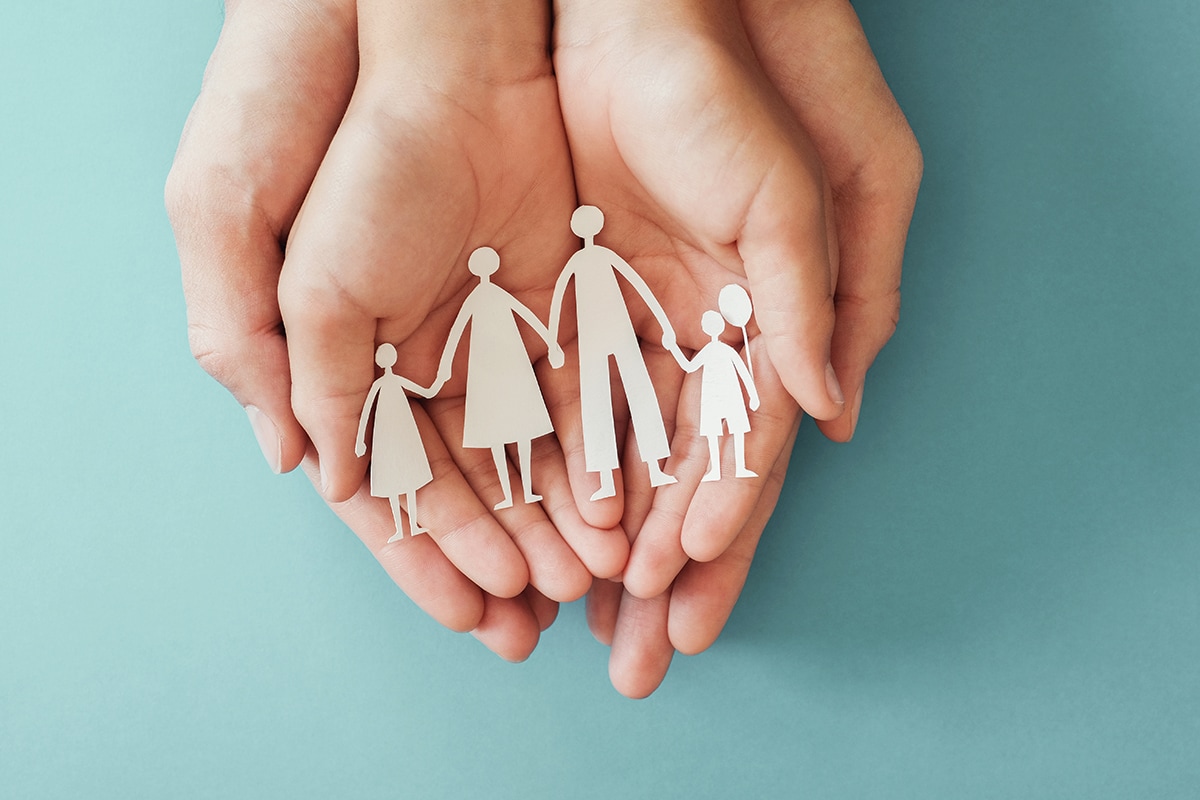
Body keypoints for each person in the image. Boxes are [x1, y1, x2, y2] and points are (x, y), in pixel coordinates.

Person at [166, 0, 922, 697]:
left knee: (599, 410)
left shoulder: (588, 272)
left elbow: (578, 307)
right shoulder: (541, 289)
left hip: (601, 343)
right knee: (567, 419)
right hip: (561, 352)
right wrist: (441, 46)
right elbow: (544, 314)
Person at [549, 205, 678, 501]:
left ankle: (655, 469)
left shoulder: (599, 257)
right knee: (598, 405)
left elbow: (639, 286)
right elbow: (558, 297)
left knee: (636, 393)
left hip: (616, 331)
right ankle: (608, 480)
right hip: (593, 337)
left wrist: (664, 324)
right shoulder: (577, 261)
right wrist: (552, 341)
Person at [436, 246, 565, 511]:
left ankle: (522, 490)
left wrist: (552, 343)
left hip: (507, 365)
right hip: (491, 368)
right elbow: (458, 330)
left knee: (515, 431)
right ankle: (516, 491)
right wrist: (551, 343)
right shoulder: (483, 296)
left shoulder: (489, 295)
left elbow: (522, 316)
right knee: (508, 432)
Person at [355, 343, 442, 541]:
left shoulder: (389, 382)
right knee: (395, 481)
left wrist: (440, 380)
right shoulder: (383, 384)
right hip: (388, 434)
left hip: (400, 432)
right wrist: (360, 439)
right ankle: (401, 528)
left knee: (404, 479)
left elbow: (427, 391)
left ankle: (409, 526)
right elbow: (367, 410)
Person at [668, 310, 761, 482]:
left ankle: (737, 467)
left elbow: (742, 371)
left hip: (729, 393)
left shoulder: (721, 350)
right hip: (714, 395)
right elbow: (690, 367)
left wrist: (754, 395)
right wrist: (673, 347)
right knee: (718, 432)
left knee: (734, 430)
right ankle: (718, 470)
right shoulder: (713, 350)